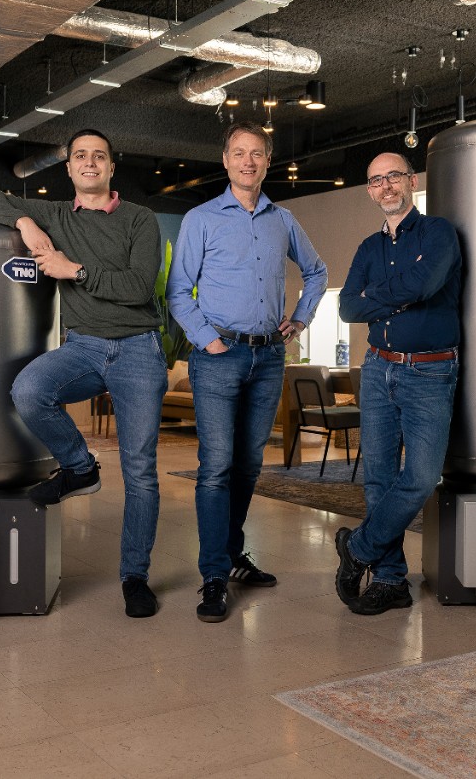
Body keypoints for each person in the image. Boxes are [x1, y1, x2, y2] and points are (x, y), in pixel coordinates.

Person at [0, 128, 167, 619]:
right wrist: (26, 223)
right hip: (83, 348)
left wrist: (73, 270)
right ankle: (80, 467)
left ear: (111, 167)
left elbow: (140, 286)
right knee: (30, 389)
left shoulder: (139, 219)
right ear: (70, 168)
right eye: (81, 156)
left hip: (139, 350)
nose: (90, 163)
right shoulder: (55, 214)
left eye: (100, 156)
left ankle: (135, 577)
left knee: (140, 472)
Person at [167, 122, 328, 623]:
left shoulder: (283, 220)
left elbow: (317, 272)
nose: (248, 162)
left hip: (268, 358)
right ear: (225, 160)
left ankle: (233, 555)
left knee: (248, 467)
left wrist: (301, 317)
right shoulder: (201, 218)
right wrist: (206, 338)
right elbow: (178, 291)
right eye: (239, 153)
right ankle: (213, 576)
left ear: (267, 160)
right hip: (219, 356)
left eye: (257, 154)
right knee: (216, 467)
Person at [334, 152, 462, 615]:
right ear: (370, 191)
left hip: (429, 370)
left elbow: (425, 284)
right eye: (375, 181)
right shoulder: (369, 248)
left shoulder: (438, 233)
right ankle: (390, 580)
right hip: (377, 367)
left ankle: (359, 547)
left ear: (410, 181)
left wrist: (378, 299)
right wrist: (395, 297)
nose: (385, 186)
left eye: (393, 177)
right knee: (379, 478)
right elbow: (348, 307)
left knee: (423, 476)